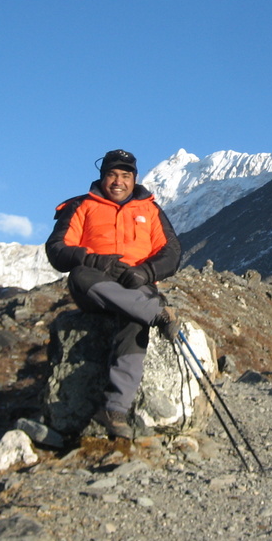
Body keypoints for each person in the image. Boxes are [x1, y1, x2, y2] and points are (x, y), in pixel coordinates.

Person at [45, 149, 181, 439]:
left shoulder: (150, 209)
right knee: (80, 275)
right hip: (95, 283)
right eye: (112, 175)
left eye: (125, 175)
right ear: (102, 177)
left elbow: (171, 252)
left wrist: (146, 273)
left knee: (134, 322)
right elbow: (57, 249)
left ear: (134, 179)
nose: (118, 181)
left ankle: (114, 409)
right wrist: (94, 260)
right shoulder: (81, 206)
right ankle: (155, 313)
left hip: (136, 283)